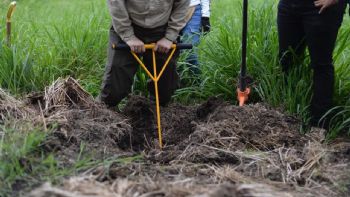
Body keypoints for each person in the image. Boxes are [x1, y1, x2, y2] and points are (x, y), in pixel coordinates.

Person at [98, 0, 190, 108]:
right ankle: (101, 114)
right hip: (127, 25)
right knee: (115, 83)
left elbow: (182, 5)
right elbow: (116, 3)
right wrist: (129, 36)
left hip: (162, 31)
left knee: (165, 85)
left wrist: (169, 37)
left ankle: (155, 112)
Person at [277, 0, 347, 128]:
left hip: (321, 7)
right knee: (286, 60)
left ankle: (319, 125)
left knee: (321, 65)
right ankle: (289, 117)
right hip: (288, 5)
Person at [181, 0, 211, 76]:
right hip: (169, 11)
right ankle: (178, 83)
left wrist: (205, 16)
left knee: (189, 51)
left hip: (193, 10)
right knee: (174, 53)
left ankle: (196, 84)